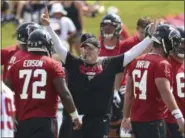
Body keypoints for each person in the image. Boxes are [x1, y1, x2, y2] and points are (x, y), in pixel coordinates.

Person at [41, 7, 155, 138]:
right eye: (84, 48)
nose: (86, 51)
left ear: (98, 50)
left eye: (90, 48)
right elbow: (59, 46)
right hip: (74, 120)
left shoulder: (108, 64)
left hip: (98, 122)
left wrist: (149, 39)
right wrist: (48, 27)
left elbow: (131, 53)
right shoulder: (74, 62)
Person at [4, 29, 82, 138]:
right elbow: (64, 94)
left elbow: (5, 93)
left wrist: (8, 116)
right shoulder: (52, 64)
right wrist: (75, 116)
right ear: (46, 45)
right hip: (45, 121)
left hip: (22, 121)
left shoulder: (16, 65)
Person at [121, 24, 185, 138]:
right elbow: (165, 92)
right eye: (172, 42)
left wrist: (125, 117)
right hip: (154, 121)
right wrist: (179, 116)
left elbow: (128, 94)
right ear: (165, 42)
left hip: (136, 120)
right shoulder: (162, 64)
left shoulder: (136, 61)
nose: (174, 46)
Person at [166, 27, 185, 138]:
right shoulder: (165, 64)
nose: (182, 46)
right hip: (172, 120)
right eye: (178, 43)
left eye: (184, 43)